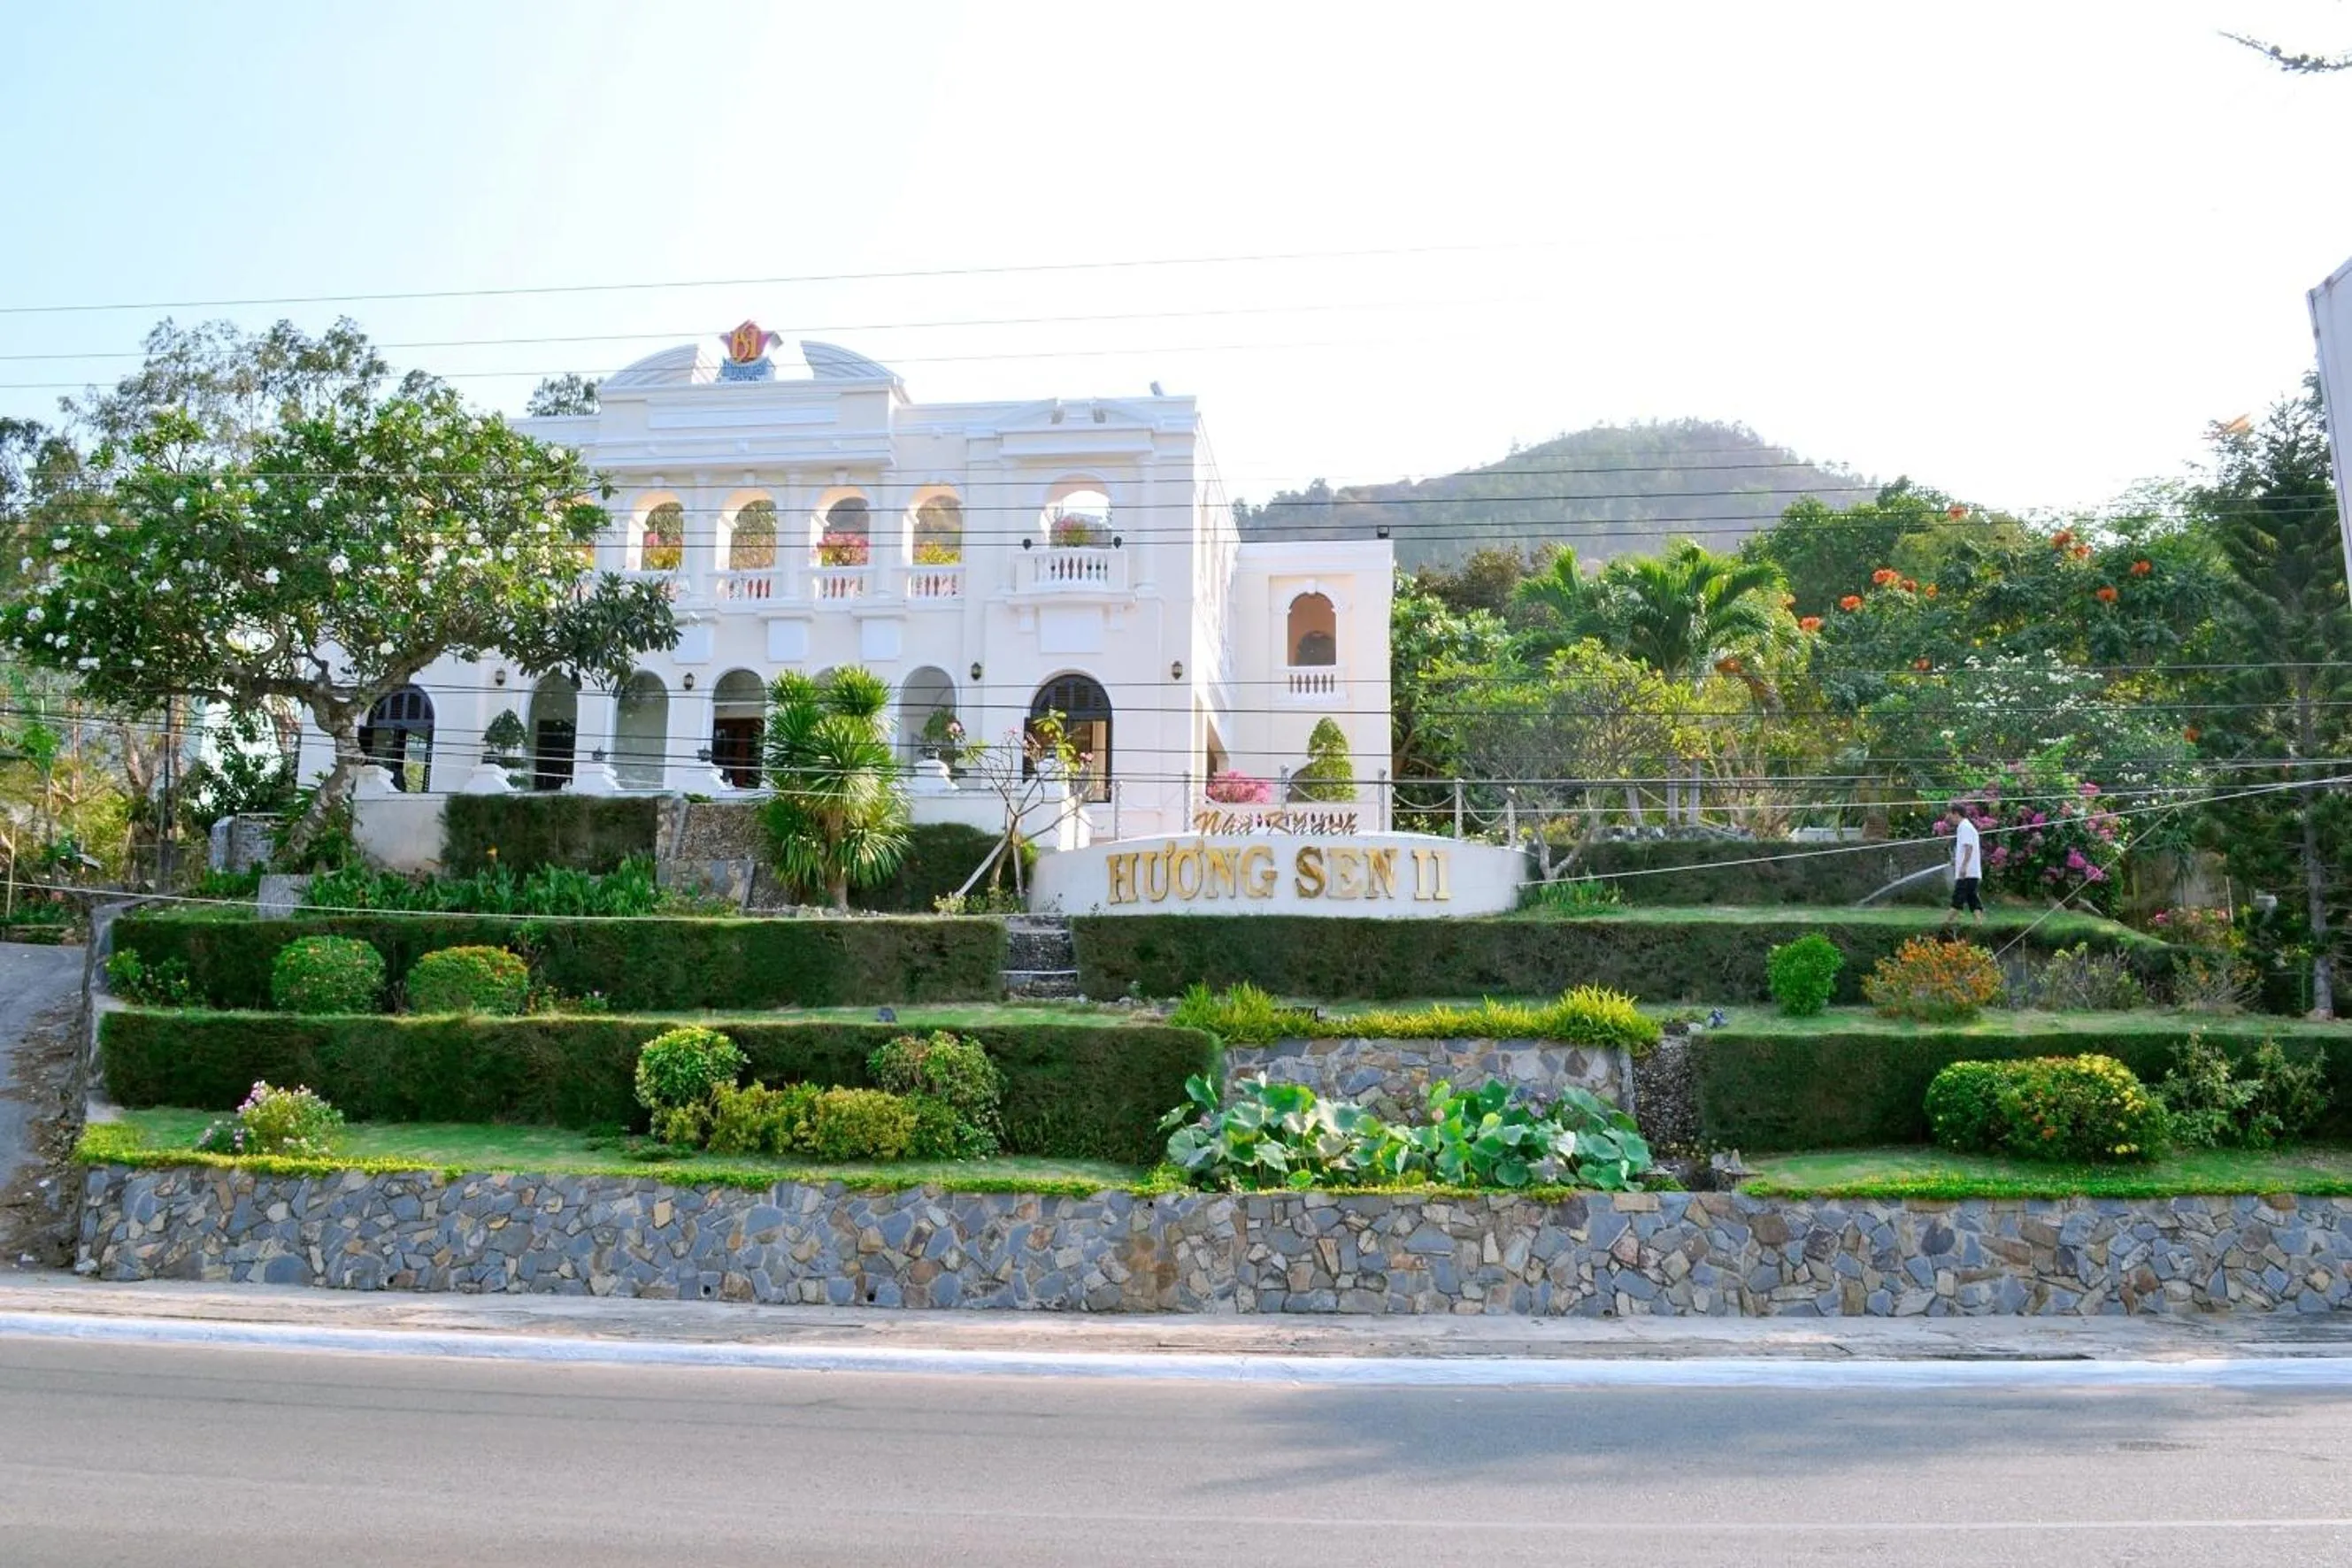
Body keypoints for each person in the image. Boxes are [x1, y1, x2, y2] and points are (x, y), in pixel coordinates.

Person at [1943, 801, 1984, 924]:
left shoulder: (1964, 827)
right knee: (1972, 899)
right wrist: (1956, 861)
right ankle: (1979, 924)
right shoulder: (1965, 827)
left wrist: (1963, 867)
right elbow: (1966, 849)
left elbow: (1969, 848)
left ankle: (1945, 924)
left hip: (1966, 873)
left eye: (1950, 814)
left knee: (1958, 899)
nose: (1948, 817)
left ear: (1956, 814)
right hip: (1970, 872)